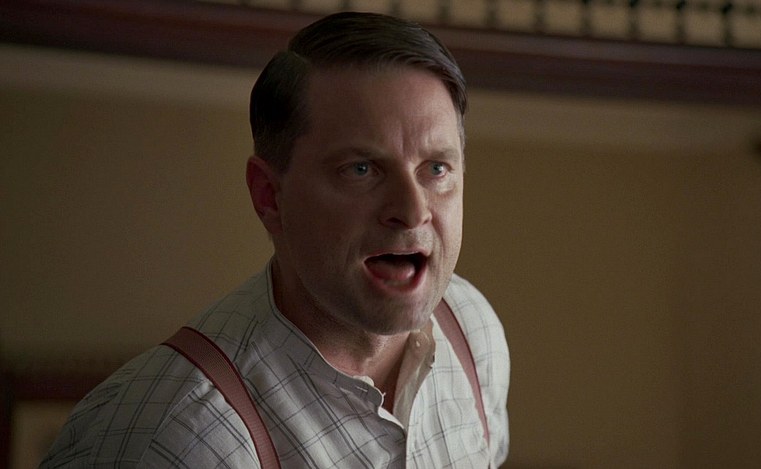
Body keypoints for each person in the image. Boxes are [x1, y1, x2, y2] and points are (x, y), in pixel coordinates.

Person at [41, 11, 509, 468]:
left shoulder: (472, 330)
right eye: (361, 169)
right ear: (269, 195)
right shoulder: (169, 438)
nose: (412, 210)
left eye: (436, 168)